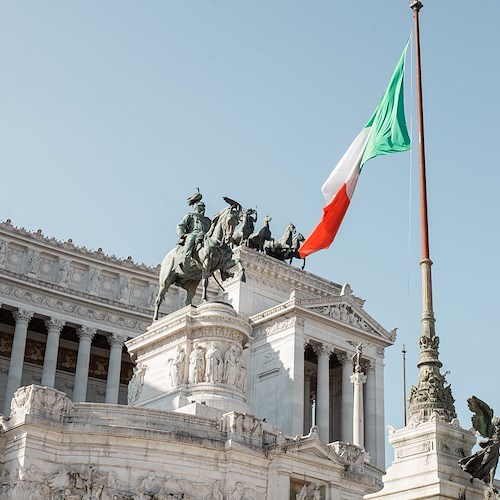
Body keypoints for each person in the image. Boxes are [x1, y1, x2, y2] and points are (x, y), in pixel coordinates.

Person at [176, 199, 211, 266]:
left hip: (206, 236)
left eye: (204, 207)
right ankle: (186, 258)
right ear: (196, 207)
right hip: (194, 233)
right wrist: (182, 234)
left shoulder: (207, 220)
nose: (203, 208)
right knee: (190, 238)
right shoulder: (190, 215)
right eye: (201, 207)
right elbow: (180, 225)